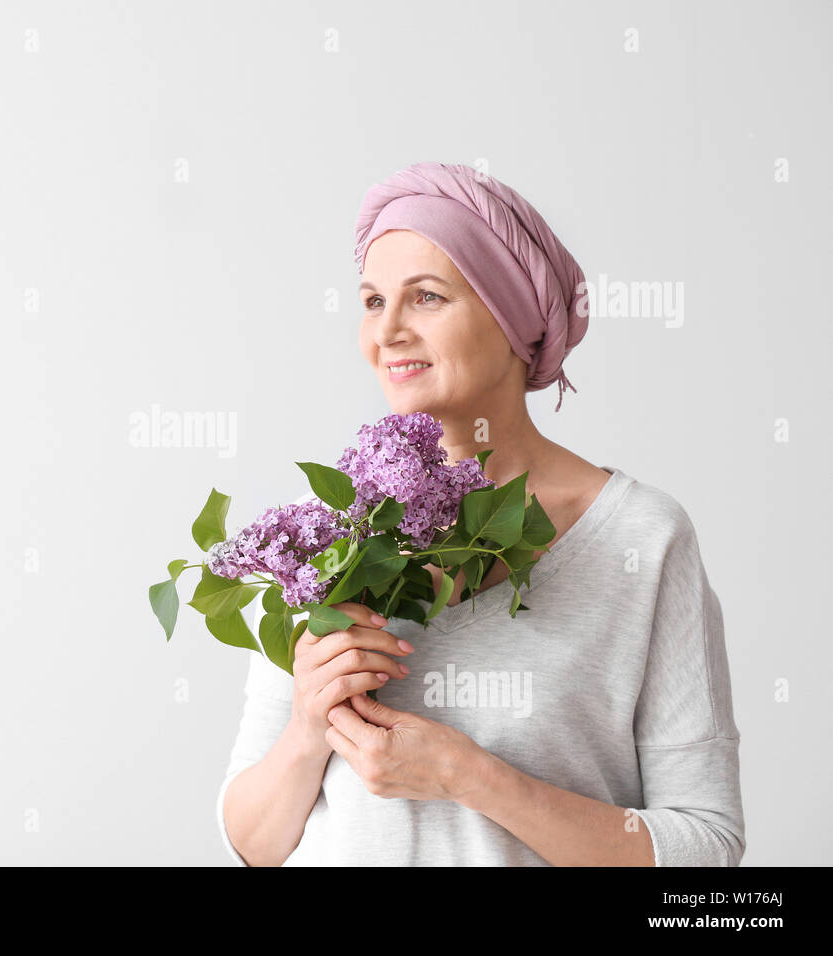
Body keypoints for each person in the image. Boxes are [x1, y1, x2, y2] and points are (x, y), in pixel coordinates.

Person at [216, 162, 744, 866]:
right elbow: (251, 845)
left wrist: (468, 777)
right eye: (373, 301)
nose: (388, 331)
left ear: (512, 315)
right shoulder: (321, 536)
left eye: (426, 297)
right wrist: (309, 729)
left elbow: (706, 850)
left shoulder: (641, 540)